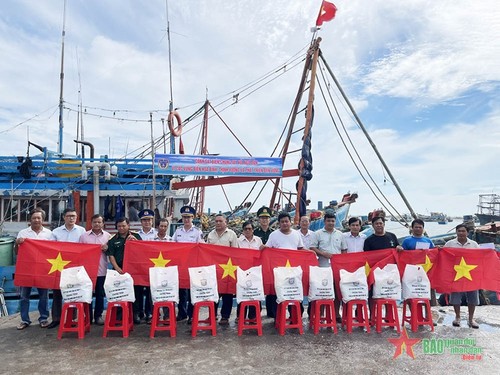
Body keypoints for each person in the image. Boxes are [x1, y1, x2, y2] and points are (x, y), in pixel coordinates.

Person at [47, 208, 86, 329]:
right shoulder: (56, 232)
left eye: (73, 216)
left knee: (74, 293)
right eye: (69, 216)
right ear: (64, 217)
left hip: (75, 267)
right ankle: (56, 319)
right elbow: (50, 248)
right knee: (57, 293)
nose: (71, 218)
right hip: (59, 267)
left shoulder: (82, 231)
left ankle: (72, 318)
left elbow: (85, 247)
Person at [14, 208, 53, 330]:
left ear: (43, 219)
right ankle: (25, 320)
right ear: (30, 220)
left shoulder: (49, 234)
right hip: (27, 269)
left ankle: (43, 318)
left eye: (39, 218)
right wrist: (17, 243)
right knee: (24, 296)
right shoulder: (23, 233)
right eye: (34, 218)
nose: (36, 220)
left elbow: (53, 252)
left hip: (43, 269)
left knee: (44, 296)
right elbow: (16, 252)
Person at [265, 211, 304, 318]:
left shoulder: (297, 234)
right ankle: (278, 317)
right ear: (279, 223)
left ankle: (295, 316)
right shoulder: (273, 235)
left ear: (290, 222)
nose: (285, 223)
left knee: (294, 292)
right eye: (282, 222)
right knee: (279, 293)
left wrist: (310, 253)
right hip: (279, 271)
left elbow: (301, 249)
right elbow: (267, 250)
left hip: (294, 271)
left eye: (286, 221)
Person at [310, 210, 347, 320]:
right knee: (322, 291)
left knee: (336, 291)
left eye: (332, 221)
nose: (330, 223)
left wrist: (342, 262)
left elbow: (344, 250)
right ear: (324, 222)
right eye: (328, 221)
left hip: (336, 268)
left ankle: (336, 314)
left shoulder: (340, 235)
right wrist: (322, 253)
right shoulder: (317, 234)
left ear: (335, 222)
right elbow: (312, 248)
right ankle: (320, 314)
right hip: (322, 267)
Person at [172, 205, 204, 324]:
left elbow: (201, 247)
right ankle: (182, 313)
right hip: (180, 266)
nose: (186, 220)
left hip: (192, 266)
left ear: (193, 218)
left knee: (192, 292)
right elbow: (171, 246)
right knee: (181, 291)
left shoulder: (197, 232)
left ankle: (192, 315)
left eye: (189, 217)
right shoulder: (178, 231)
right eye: (184, 217)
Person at [445, 224, 480, 329]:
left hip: (471, 274)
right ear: (456, 232)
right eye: (459, 231)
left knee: (473, 297)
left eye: (463, 231)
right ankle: (457, 317)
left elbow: (480, 258)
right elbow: (444, 257)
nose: (461, 233)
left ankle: (471, 319)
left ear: (467, 233)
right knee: (455, 297)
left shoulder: (474, 244)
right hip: (456, 274)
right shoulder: (449, 243)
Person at [106, 217, 142, 322]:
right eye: (119, 226)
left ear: (128, 225)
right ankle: (119, 315)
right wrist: (117, 268)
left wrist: (136, 242)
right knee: (119, 293)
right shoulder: (113, 239)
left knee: (136, 292)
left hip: (134, 269)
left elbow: (142, 250)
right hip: (119, 270)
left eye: (123, 225)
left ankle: (136, 314)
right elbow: (111, 255)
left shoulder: (135, 236)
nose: (121, 228)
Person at [79, 214, 111, 325]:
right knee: (86, 294)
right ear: (91, 223)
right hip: (87, 271)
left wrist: (106, 249)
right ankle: (87, 316)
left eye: (99, 222)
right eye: (95, 222)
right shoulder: (84, 236)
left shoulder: (108, 236)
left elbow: (111, 253)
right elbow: (80, 252)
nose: (97, 224)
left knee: (100, 294)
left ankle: (98, 316)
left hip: (101, 270)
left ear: (103, 224)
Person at [207, 214, 239, 325]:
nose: (218, 223)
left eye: (220, 221)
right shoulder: (211, 234)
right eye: (216, 221)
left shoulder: (232, 234)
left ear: (226, 222)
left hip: (227, 268)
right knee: (213, 293)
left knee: (227, 293)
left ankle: (225, 316)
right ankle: (212, 315)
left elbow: (236, 252)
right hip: (214, 268)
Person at [237, 220, 263, 320]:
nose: (248, 230)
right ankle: (241, 316)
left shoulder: (258, 240)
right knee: (242, 292)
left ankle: (253, 316)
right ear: (243, 230)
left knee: (254, 293)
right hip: (242, 271)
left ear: (253, 230)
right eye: (245, 229)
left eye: (250, 229)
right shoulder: (238, 241)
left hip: (255, 271)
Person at [135, 208, 157, 324]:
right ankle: (139, 312)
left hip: (153, 267)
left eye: (149, 220)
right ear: (141, 222)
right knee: (138, 291)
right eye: (144, 220)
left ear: (152, 221)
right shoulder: (136, 235)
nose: (147, 222)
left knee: (151, 292)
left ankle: (150, 313)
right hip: (140, 267)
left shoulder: (158, 234)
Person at [254, 206, 275, 317]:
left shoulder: (274, 233)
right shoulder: (254, 233)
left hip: (270, 264)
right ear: (259, 219)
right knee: (257, 286)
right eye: (262, 218)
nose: (264, 220)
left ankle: (271, 311)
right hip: (257, 264)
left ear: (270, 219)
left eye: (266, 218)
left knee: (271, 286)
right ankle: (256, 312)